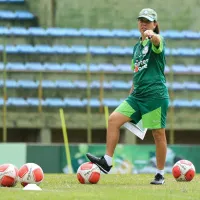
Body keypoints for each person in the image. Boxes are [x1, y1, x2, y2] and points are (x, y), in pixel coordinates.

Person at [86, 8, 169, 185]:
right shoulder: (136, 47)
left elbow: (157, 40)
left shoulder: (157, 41)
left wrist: (151, 35)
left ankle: (160, 174)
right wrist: (131, 92)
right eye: (141, 20)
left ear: (155, 24)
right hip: (137, 95)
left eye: (147, 21)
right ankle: (107, 162)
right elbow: (137, 71)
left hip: (155, 95)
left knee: (158, 134)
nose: (143, 23)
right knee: (113, 120)